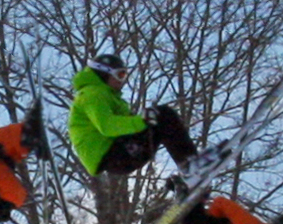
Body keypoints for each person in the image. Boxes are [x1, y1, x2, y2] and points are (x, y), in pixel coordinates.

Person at [66, 59, 198, 179]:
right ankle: (192, 166)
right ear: (104, 73)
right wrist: (142, 120)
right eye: (120, 75)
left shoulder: (108, 96)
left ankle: (188, 177)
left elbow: (126, 125)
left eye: (124, 75)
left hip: (115, 156)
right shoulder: (92, 94)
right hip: (111, 155)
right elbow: (107, 125)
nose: (122, 81)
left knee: (161, 122)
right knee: (162, 114)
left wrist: (144, 120)